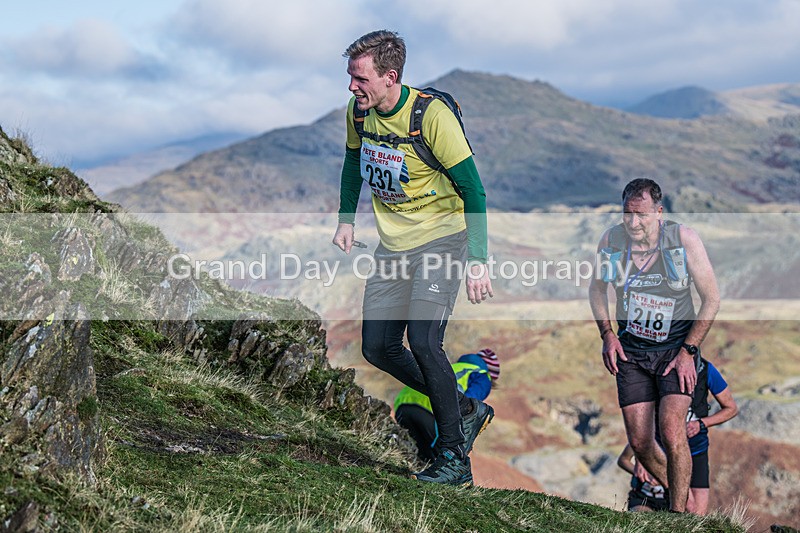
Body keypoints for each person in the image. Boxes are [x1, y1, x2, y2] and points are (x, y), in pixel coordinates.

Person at [332, 30, 494, 486]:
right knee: (377, 347)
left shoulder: (431, 117)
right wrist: (347, 220)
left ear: (390, 76)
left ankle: (453, 460)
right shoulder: (358, 113)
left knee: (424, 342)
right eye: (349, 77)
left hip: (444, 240)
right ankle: (463, 409)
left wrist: (477, 260)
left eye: (359, 78)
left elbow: (474, 191)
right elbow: (352, 161)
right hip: (394, 245)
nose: (351, 88)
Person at [589, 178, 721, 512]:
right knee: (640, 443)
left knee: (672, 430)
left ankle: (678, 517)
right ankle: (685, 501)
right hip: (631, 354)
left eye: (642, 215)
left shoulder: (682, 240)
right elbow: (597, 289)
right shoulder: (612, 241)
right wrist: (607, 334)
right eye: (627, 214)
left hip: (675, 352)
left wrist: (689, 351)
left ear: (658, 212)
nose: (633, 222)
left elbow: (711, 299)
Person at [617, 357, 738, 514]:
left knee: (696, 516)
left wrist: (701, 423)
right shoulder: (658, 365)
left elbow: (731, 408)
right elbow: (643, 410)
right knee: (682, 507)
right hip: (663, 449)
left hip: (696, 450)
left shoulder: (706, 370)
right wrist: (642, 458)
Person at [395, 349, 500, 461]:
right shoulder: (482, 376)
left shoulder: (453, 366)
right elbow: (470, 407)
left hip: (403, 405)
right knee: (443, 457)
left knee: (421, 453)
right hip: (431, 412)